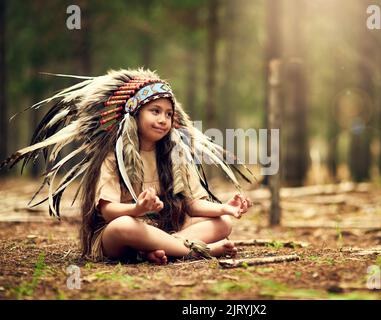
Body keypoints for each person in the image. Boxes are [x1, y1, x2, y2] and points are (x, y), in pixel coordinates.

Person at [1, 69, 256, 264]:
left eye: (168, 114)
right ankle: (201, 250)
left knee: (223, 223)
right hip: (121, 236)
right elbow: (109, 212)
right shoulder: (113, 158)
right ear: (134, 113)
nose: (163, 120)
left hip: (164, 230)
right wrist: (137, 208)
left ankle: (159, 250)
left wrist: (224, 207)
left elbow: (192, 204)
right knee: (124, 226)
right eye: (155, 111)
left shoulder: (176, 156)